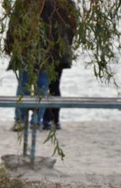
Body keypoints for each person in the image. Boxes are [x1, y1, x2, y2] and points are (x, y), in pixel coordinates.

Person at [5, 0, 77, 131]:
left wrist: (10, 43)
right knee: (41, 86)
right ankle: (36, 121)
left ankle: (23, 120)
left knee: (26, 85)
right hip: (49, 50)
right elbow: (72, 26)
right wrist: (65, 45)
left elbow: (15, 22)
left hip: (31, 48)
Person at [42, 0, 78, 130]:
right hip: (60, 50)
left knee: (45, 85)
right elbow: (73, 28)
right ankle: (54, 119)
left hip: (46, 50)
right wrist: (67, 43)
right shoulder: (68, 3)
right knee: (54, 85)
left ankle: (47, 119)